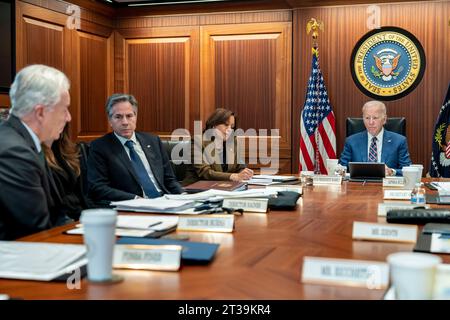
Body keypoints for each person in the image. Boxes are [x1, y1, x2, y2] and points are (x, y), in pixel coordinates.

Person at [0, 64, 72, 240]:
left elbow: (57, 212)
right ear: (40, 113)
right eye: (64, 109)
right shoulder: (14, 152)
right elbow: (36, 230)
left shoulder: (26, 142)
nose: (68, 117)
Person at [87, 93, 183, 203]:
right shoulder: (100, 147)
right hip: (132, 206)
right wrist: (135, 199)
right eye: (118, 117)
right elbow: (98, 187)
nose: (125, 122)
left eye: (129, 116)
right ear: (110, 121)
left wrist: (184, 196)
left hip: (164, 202)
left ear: (136, 117)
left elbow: (169, 179)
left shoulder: (153, 141)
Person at [182, 108, 254, 185]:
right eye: (226, 125)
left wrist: (244, 173)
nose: (229, 130)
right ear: (214, 125)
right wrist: (233, 176)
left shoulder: (233, 142)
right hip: (198, 189)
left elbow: (240, 167)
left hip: (224, 188)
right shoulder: (197, 142)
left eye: (232, 127)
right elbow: (205, 172)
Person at [339, 100, 412, 176]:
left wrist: (392, 172)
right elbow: (341, 168)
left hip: (386, 185)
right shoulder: (351, 141)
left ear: (384, 119)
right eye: (367, 118)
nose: (371, 122)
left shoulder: (399, 141)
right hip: (359, 185)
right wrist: (340, 170)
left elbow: (408, 170)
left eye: (375, 118)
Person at [42, 124, 91, 220]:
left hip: (81, 216)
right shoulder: (37, 155)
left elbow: (81, 195)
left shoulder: (66, 150)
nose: (67, 118)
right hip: (62, 219)